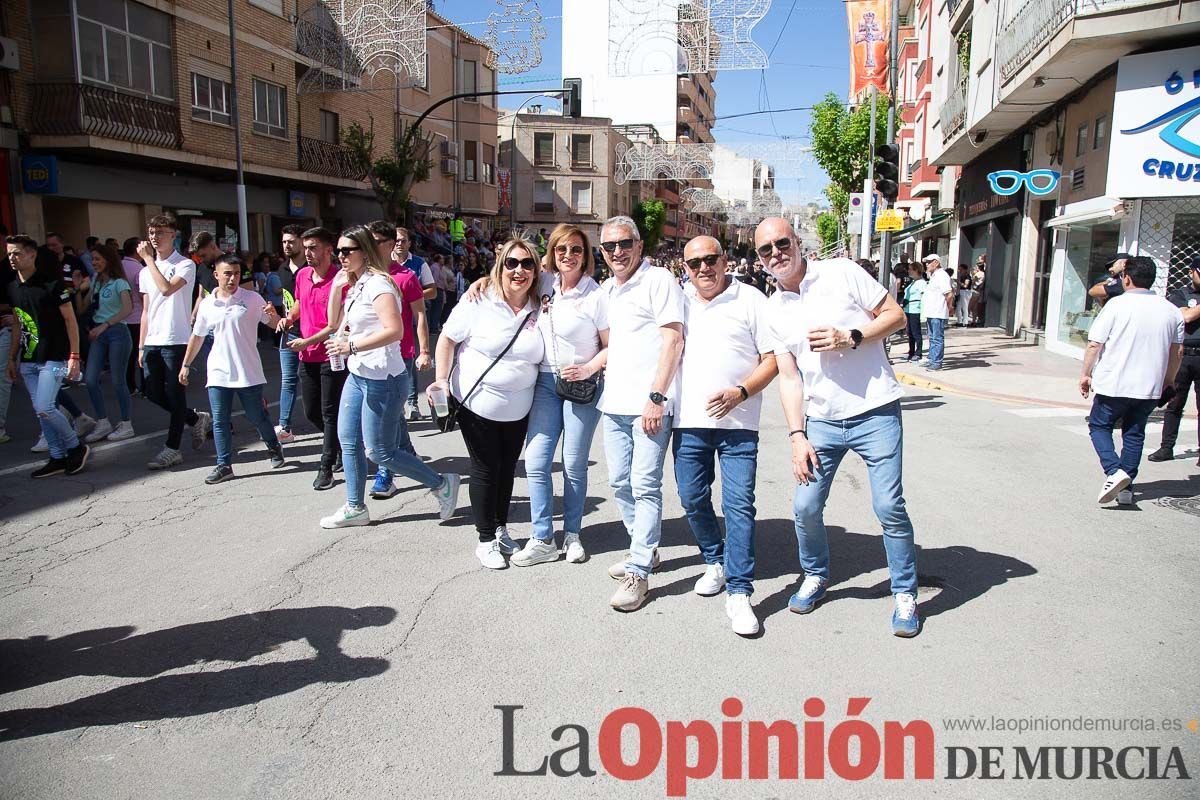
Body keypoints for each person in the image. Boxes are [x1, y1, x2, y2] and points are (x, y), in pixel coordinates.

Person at [756, 216, 920, 638]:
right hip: (822, 422)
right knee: (806, 507)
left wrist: (853, 336)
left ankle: (905, 592)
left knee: (888, 506)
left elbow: (895, 315)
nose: (776, 253)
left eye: (781, 243)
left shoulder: (842, 272)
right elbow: (789, 377)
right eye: (765, 249)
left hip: (876, 411)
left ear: (797, 241)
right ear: (760, 260)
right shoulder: (773, 309)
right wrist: (797, 436)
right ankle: (815, 574)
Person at [671, 236, 778, 636]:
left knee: (738, 505)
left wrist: (741, 392)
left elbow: (772, 360)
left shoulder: (751, 299)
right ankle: (715, 559)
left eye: (710, 259)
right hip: (689, 422)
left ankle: (739, 590)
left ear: (725, 260)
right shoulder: (678, 301)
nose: (703, 268)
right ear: (685, 268)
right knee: (692, 498)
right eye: (694, 262)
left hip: (739, 425)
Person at [321, 225, 461, 529]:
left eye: (348, 251)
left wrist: (351, 346)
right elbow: (333, 322)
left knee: (380, 450)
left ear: (365, 251)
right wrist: (336, 287)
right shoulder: (357, 284)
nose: (341, 256)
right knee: (349, 441)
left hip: (383, 377)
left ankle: (441, 483)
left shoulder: (379, 286)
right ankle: (355, 506)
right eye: (339, 251)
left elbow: (395, 331)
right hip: (359, 373)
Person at [429, 238, 544, 569]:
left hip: (520, 408)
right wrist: (440, 379)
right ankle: (484, 540)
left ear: (536, 270)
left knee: (507, 468)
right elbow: (448, 339)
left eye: (527, 264)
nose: (519, 270)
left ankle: (500, 527)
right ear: (500, 266)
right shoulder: (479, 300)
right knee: (485, 468)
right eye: (511, 263)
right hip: (477, 403)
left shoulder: (542, 303)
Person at [597, 215, 686, 612]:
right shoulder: (607, 290)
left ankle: (639, 572)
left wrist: (657, 396)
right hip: (613, 403)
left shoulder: (658, 281)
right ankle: (644, 549)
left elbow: (673, 339)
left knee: (645, 484)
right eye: (609, 246)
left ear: (638, 244)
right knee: (619, 482)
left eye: (624, 243)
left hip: (649, 405)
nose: (617, 251)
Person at [510, 224, 609, 569]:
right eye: (562, 249)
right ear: (552, 253)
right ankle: (542, 538)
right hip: (545, 383)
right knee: (536, 462)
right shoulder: (545, 282)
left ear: (586, 256)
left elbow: (612, 346)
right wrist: (480, 284)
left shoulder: (595, 294)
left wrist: (588, 368)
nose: (569, 255)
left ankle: (572, 534)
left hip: (582, 386)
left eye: (577, 250)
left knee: (573, 463)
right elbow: (508, 283)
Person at [1081, 256, 1185, 505]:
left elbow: (1095, 344)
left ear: (1126, 278)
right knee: (1134, 433)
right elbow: (1177, 352)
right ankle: (1126, 488)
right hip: (1149, 386)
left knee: (1099, 425)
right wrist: (1168, 381)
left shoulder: (1116, 306)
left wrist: (1086, 374)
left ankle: (1114, 472)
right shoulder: (1171, 310)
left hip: (1114, 382)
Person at [180, 255, 285, 484]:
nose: (232, 278)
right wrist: (186, 365)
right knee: (219, 420)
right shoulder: (208, 304)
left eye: (236, 273)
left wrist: (274, 314)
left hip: (248, 371)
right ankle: (224, 464)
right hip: (218, 371)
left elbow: (274, 324)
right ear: (216, 275)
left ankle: (274, 447)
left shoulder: (252, 298)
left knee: (256, 415)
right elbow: (197, 337)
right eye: (227, 273)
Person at [4, 235, 89, 477]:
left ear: (32, 255)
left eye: (17, 253)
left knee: (45, 407)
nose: (12, 258)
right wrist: (12, 357)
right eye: (9, 253)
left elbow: (70, 320)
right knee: (41, 411)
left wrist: (74, 355)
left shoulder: (52, 285)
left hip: (54, 357)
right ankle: (56, 456)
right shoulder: (12, 287)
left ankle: (75, 447)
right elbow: (19, 324)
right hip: (28, 360)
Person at [138, 213, 212, 469]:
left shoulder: (184, 265)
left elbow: (167, 289)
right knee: (151, 391)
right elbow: (146, 309)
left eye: (160, 232)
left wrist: (149, 259)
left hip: (176, 337)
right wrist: (141, 344)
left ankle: (172, 448)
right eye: (151, 233)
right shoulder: (144, 271)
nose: (154, 238)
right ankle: (194, 419)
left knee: (174, 392)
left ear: (173, 235)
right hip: (152, 339)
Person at [278, 227, 348, 490]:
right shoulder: (303, 275)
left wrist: (306, 341)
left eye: (313, 247)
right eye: (305, 247)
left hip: (331, 354)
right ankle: (340, 445)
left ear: (328, 250)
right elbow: (299, 302)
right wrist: (290, 317)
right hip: (306, 354)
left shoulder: (341, 280)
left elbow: (336, 323)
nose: (307, 252)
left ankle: (326, 466)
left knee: (330, 412)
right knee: (311, 411)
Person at [369, 222, 432, 500]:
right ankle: (406, 455)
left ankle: (386, 471)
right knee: (392, 415)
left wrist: (424, 351)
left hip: (399, 354)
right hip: (364, 357)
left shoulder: (407, 276)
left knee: (388, 414)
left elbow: (419, 315)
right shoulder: (358, 278)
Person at [80, 242, 136, 442]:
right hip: (98, 334)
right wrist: (79, 289)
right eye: (92, 259)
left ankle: (126, 423)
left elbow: (127, 308)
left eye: (97, 259)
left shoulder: (120, 282)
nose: (93, 262)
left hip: (117, 333)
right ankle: (102, 421)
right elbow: (83, 307)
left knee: (118, 380)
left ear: (107, 260)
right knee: (91, 379)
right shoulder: (95, 280)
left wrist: (105, 325)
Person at [1148, 258, 1200, 466]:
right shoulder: (1180, 295)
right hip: (1183, 355)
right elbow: (1184, 317)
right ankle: (1167, 447)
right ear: (1191, 272)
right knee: (1175, 403)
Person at [382, 222, 435, 420]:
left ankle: (412, 403)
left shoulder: (419, 264)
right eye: (395, 241)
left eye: (403, 241)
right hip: (389, 320)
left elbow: (433, 290)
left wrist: (411, 294)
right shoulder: (382, 266)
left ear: (409, 243)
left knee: (408, 361)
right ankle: (397, 405)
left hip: (412, 317)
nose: (399, 244)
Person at [273, 225, 306, 443]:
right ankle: (284, 426)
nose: (287, 245)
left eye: (291, 241)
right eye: (284, 241)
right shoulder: (282, 269)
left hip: (312, 333)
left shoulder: (311, 268)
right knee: (288, 380)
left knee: (315, 381)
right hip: (289, 333)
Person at [120, 238, 146, 396]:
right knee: (142, 353)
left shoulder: (118, 266)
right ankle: (145, 386)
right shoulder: (140, 269)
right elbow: (143, 294)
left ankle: (129, 386)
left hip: (121, 318)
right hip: (138, 317)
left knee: (127, 356)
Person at [920, 253, 952, 370]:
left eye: (929, 262)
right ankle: (932, 358)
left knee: (937, 338)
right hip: (931, 312)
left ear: (936, 263)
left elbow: (949, 294)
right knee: (932, 337)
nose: (927, 265)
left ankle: (936, 362)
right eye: (926, 262)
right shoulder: (933, 276)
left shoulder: (942, 276)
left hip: (938, 312)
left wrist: (947, 308)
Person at [903, 262, 926, 362]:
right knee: (910, 332)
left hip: (915, 309)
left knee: (916, 332)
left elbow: (923, 297)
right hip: (908, 308)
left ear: (917, 270)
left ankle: (918, 352)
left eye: (911, 269)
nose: (909, 271)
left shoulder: (922, 283)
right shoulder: (913, 282)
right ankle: (911, 351)